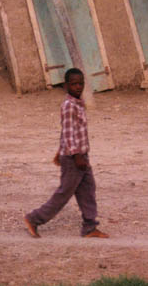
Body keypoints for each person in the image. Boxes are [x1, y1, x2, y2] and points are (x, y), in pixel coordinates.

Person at [24, 68, 108, 239]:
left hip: (81, 156)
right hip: (73, 158)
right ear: (66, 86)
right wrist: (76, 156)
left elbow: (70, 132)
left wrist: (72, 153)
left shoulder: (78, 103)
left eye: (81, 83)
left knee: (88, 190)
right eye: (74, 84)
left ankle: (89, 227)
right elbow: (69, 134)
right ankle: (34, 219)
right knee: (64, 193)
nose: (78, 87)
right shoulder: (69, 106)